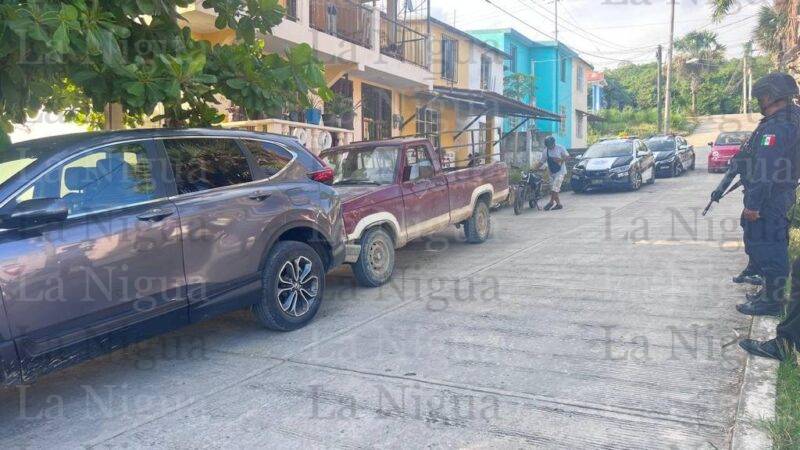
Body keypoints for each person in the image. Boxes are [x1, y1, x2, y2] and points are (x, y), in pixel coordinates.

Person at [737, 72, 800, 361]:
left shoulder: (780, 127)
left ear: (772, 95)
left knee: (769, 246)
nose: (761, 102)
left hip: (770, 198)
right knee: (768, 245)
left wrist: (753, 204)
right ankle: (770, 298)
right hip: (778, 195)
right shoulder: (789, 121)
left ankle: (771, 303)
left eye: (762, 97)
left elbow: (764, 170)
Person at [536, 136, 568, 210]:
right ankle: (559, 204)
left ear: (554, 143)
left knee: (555, 188)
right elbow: (541, 162)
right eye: (548, 146)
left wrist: (560, 160)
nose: (550, 147)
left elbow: (568, 157)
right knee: (553, 189)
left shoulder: (560, 148)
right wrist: (534, 168)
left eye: (551, 145)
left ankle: (551, 202)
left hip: (561, 171)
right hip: (551, 172)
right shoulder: (545, 151)